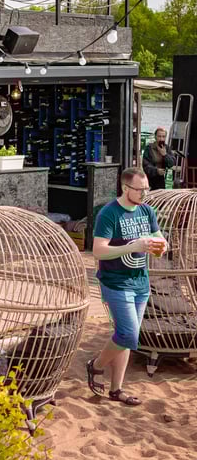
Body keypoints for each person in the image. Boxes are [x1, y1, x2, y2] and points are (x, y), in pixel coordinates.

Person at [87, 167, 166, 406]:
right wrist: (133, 247)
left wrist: (161, 246)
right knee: (129, 334)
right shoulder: (109, 213)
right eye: (139, 190)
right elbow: (98, 250)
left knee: (127, 337)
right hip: (115, 281)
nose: (144, 194)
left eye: (146, 189)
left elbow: (161, 239)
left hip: (141, 281)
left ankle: (116, 389)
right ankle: (97, 366)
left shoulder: (147, 211)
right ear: (125, 188)